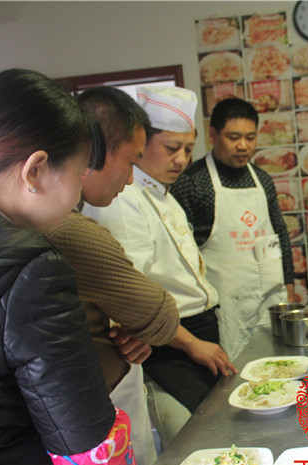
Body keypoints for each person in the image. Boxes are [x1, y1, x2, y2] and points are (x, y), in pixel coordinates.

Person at [0, 69, 139, 465]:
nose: (78, 192)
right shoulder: (31, 267)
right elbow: (86, 445)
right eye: (78, 173)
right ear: (36, 170)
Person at [46, 86, 219, 465]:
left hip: (133, 355)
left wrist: (137, 325)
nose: (129, 179)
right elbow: (150, 310)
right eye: (131, 161)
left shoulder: (160, 195)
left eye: (187, 149)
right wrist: (141, 325)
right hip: (131, 365)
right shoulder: (83, 221)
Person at [83, 85, 236, 414]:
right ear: (141, 145)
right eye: (171, 148)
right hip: (170, 343)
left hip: (191, 332)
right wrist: (191, 343)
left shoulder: (165, 194)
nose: (181, 160)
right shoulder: (121, 198)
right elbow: (130, 298)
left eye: (188, 149)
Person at [171, 98, 293, 360]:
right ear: (213, 135)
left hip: (269, 299)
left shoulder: (262, 179)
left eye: (250, 137)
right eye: (233, 137)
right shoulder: (192, 183)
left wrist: (289, 282)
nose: (243, 146)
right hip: (224, 307)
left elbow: (279, 233)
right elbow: (181, 253)